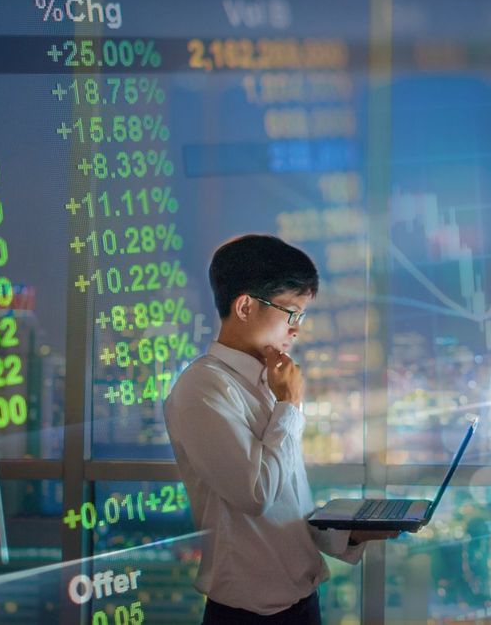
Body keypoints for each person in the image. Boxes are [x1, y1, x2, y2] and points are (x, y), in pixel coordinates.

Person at [164, 234, 396, 624]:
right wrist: (289, 405)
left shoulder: (267, 383)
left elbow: (286, 506)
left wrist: (350, 534)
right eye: (291, 312)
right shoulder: (202, 389)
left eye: (302, 316)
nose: (297, 329)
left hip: (300, 602)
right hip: (250, 614)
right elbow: (255, 494)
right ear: (245, 306)